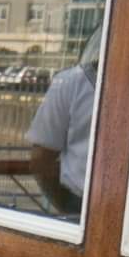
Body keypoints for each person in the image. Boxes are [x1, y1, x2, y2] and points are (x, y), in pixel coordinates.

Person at [26, 31, 101, 220]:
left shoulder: (70, 83)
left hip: (79, 201)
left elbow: (40, 159)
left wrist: (67, 208)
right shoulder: (71, 83)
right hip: (80, 204)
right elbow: (41, 159)